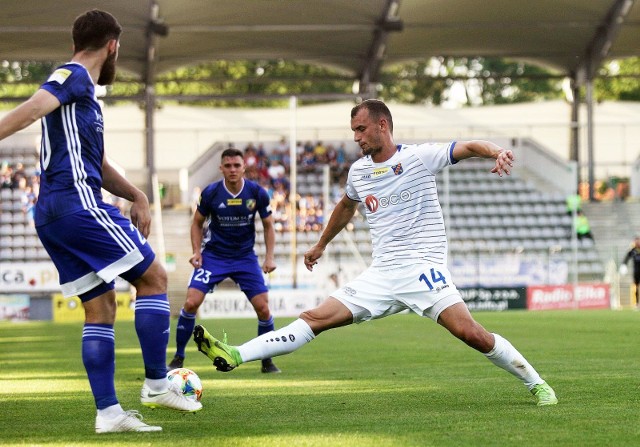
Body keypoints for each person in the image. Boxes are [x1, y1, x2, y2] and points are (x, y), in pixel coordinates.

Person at [193, 99, 558, 406]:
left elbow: (468, 146)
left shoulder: (419, 157)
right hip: (381, 275)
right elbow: (346, 207)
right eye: (354, 131)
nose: (356, 138)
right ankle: (236, 354)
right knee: (314, 318)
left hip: (422, 270)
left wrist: (497, 151)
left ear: (382, 126)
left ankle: (537, 384)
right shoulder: (359, 172)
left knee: (473, 335)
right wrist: (321, 244)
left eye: (361, 130)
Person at [0, 9, 201, 434]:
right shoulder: (71, 75)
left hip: (55, 214)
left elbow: (100, 164)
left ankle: (109, 414)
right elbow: (35, 106)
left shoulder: (85, 98)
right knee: (154, 278)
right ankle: (156, 383)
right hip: (76, 204)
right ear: (113, 46)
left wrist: (138, 195)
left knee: (101, 307)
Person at [168, 147, 281, 373]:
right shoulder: (210, 193)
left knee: (264, 309)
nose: (232, 170)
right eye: (227, 166)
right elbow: (196, 223)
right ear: (221, 168)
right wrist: (196, 252)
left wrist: (269, 257)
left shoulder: (256, 192)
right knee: (190, 303)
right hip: (214, 256)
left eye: (236, 165)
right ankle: (178, 357)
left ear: (243, 167)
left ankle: (267, 361)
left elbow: (269, 225)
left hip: (245, 258)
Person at [621, 237, 640, 306]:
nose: (637, 242)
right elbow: (626, 258)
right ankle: (637, 303)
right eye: (636, 241)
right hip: (636, 272)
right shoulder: (633, 251)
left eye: (638, 241)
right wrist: (624, 265)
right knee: (636, 287)